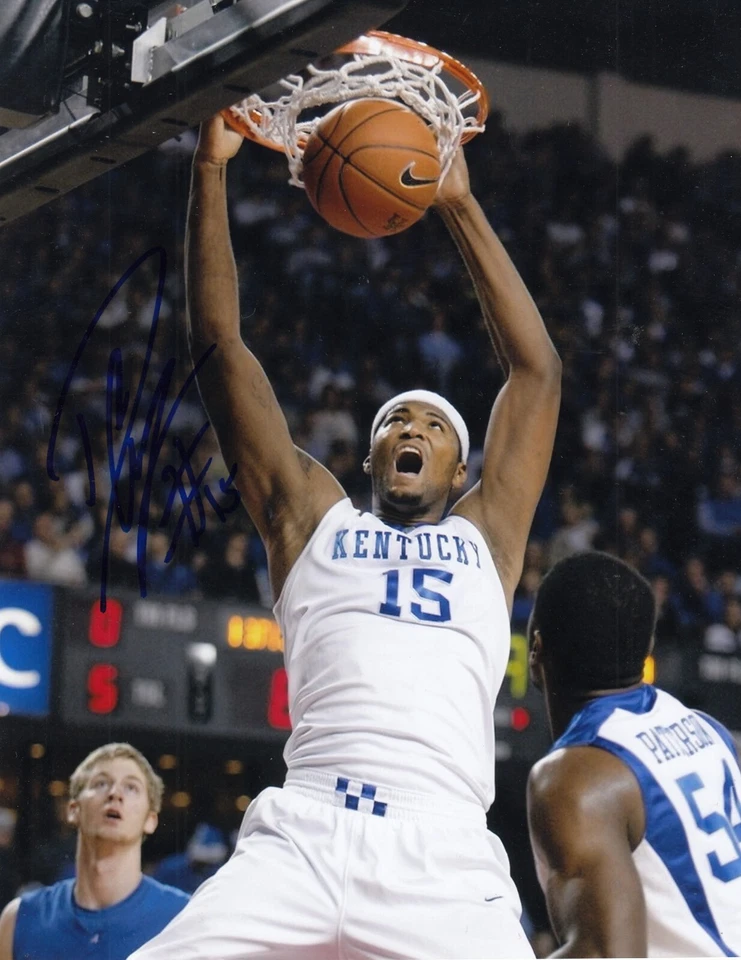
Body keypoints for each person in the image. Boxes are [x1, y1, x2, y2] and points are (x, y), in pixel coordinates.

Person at [130, 113, 561, 960]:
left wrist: (458, 207)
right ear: (368, 455)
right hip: (307, 829)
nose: (413, 425)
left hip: (440, 852)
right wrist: (209, 171)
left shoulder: (489, 535)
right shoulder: (311, 517)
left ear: (458, 469)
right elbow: (219, 349)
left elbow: (536, 370)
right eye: (397, 419)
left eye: (435, 427)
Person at [526, 551, 741, 957]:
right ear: (649, 647)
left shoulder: (576, 775)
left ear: (536, 648)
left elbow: (607, 954)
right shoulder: (709, 731)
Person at [0, 743, 189, 960]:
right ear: (73, 810)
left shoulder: (183, 918)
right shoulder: (19, 919)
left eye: (131, 787)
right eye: (101, 783)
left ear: (150, 820)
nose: (115, 793)